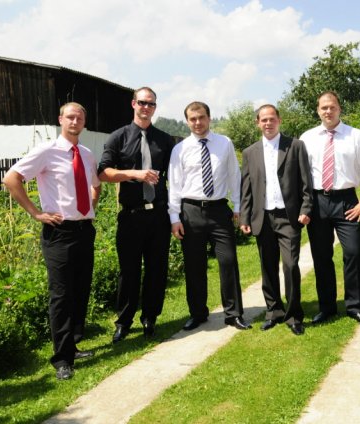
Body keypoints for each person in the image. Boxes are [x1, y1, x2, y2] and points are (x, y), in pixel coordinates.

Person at [3, 102, 100, 380]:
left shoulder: (86, 153)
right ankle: (62, 359)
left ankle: (72, 346)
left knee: (80, 290)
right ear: (61, 120)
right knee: (61, 294)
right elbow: (11, 179)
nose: (75, 121)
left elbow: (95, 184)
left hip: (84, 230)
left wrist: (90, 209)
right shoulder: (46, 151)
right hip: (59, 232)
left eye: (79, 118)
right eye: (70, 117)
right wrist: (36, 213)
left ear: (84, 122)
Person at [98, 87, 176, 343]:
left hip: (159, 216)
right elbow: (103, 173)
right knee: (129, 271)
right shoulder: (118, 137)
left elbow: (176, 177)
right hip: (131, 216)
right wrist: (134, 174)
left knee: (157, 269)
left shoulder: (165, 140)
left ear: (155, 108)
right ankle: (124, 321)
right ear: (133, 104)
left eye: (151, 104)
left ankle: (150, 318)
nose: (146, 107)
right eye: (142, 102)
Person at [168, 101, 250, 332]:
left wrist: (238, 206)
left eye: (201, 117)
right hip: (190, 211)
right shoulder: (180, 149)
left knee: (228, 261)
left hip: (219, 211)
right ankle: (197, 313)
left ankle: (233, 314)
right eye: (192, 119)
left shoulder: (225, 143)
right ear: (187, 122)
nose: (198, 122)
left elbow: (234, 176)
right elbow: (174, 185)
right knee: (194, 266)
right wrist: (174, 218)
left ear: (209, 118)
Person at [300, 91, 360, 326]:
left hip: (347, 201)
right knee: (322, 256)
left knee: (353, 253)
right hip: (317, 202)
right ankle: (327, 307)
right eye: (324, 107)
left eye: (332, 107)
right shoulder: (307, 138)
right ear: (318, 110)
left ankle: (354, 306)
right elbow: (299, 174)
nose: (328, 111)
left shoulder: (356, 136)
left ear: (339, 108)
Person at [240, 104, 313, 336]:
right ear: (258, 123)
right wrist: (244, 216)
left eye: (272, 119)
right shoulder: (250, 152)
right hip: (262, 217)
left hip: (288, 216)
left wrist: (306, 208)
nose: (268, 123)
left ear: (279, 120)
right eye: (264, 120)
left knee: (290, 265)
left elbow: (306, 181)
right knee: (268, 266)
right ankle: (273, 311)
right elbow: (246, 189)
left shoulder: (295, 146)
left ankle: (293, 315)